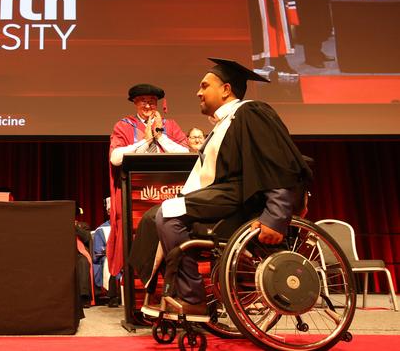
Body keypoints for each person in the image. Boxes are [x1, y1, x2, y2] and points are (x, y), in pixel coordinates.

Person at [153, 58, 312, 315]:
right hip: (227, 196)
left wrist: (275, 215)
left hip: (241, 199)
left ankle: (193, 298)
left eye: (205, 86)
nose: (198, 92)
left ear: (226, 89)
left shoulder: (251, 113)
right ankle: (163, 297)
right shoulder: (223, 124)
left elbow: (276, 163)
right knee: (159, 216)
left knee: (169, 213)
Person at [107, 84, 189, 277]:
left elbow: (186, 152)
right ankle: (137, 281)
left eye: (152, 101)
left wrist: (159, 136)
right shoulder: (124, 125)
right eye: (143, 100)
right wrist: (145, 140)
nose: (148, 104)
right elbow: (116, 158)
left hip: (169, 190)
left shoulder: (170, 125)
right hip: (136, 194)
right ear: (135, 103)